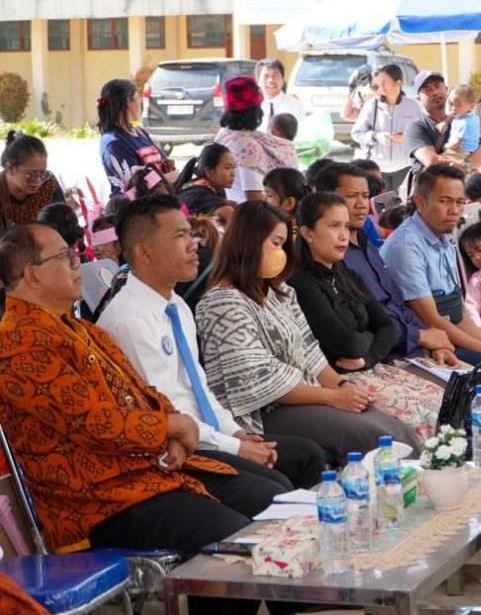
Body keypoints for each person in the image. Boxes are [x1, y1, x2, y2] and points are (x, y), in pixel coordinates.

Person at [0, 223, 267, 615]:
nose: (79, 264)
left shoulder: (81, 330)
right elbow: (95, 424)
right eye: (65, 257)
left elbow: (145, 394)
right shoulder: (18, 342)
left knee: (263, 508)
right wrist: (170, 427)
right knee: (236, 544)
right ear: (32, 273)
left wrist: (173, 434)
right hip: (94, 502)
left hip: (144, 474)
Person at [98, 194, 324, 494]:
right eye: (180, 236)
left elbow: (199, 388)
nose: (194, 245)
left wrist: (238, 433)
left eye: (190, 233)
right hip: (179, 449)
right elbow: (168, 412)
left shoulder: (176, 304)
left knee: (308, 456)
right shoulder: (129, 321)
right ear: (144, 252)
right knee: (273, 487)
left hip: (211, 434)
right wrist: (234, 447)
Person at [196, 201, 420, 459]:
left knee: (391, 423)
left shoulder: (280, 293)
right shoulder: (223, 301)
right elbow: (257, 380)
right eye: (276, 243)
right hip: (263, 410)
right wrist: (330, 397)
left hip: (309, 393)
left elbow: (309, 350)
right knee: (375, 436)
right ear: (248, 243)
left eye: (282, 244)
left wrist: (341, 385)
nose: (281, 252)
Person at [289, 192, 444, 442]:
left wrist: (367, 356)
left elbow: (387, 327)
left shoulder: (347, 275)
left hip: (371, 367)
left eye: (346, 226)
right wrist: (370, 341)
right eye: (333, 226)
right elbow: (347, 345)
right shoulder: (301, 284)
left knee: (444, 400)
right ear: (308, 233)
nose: (343, 235)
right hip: (338, 381)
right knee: (423, 416)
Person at [317, 163, 458, 365]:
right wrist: (421, 336)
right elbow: (364, 323)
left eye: (365, 196)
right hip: (383, 357)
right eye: (351, 196)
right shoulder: (333, 257)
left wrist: (433, 340)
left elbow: (398, 305)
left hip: (416, 348)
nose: (361, 204)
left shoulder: (367, 244)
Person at [380, 164, 481, 366]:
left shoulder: (445, 240)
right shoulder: (405, 245)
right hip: (429, 346)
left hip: (453, 333)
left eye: (460, 202)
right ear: (421, 202)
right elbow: (433, 320)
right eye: (445, 201)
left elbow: (457, 314)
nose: (454, 210)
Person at [214, 76, 298, 203]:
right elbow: (254, 197)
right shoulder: (247, 146)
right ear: (256, 109)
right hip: (252, 215)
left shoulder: (224, 134)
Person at [404, 70, 481, 180]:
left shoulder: (463, 120)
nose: (434, 92)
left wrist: (464, 166)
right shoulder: (416, 127)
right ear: (418, 99)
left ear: (447, 90)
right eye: (427, 90)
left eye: (437, 86)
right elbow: (432, 162)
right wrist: (464, 166)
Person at [352, 64, 422, 194]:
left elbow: (421, 135)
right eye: (379, 82)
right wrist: (376, 136)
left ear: (398, 83)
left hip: (404, 167)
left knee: (399, 207)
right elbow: (356, 133)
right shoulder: (371, 105)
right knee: (378, 205)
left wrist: (407, 138)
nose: (380, 86)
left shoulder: (412, 106)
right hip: (376, 168)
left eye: (384, 82)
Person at [98, 78, 173, 195]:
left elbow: (164, 162)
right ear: (127, 102)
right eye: (138, 98)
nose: (140, 103)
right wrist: (169, 178)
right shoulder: (114, 143)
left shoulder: (141, 133)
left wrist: (169, 171)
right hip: (138, 207)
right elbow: (136, 183)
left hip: (161, 197)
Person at [0, 131, 63, 230]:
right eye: (31, 175)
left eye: (42, 173)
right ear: (10, 168)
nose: (38, 181)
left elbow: (61, 225)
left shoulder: (48, 184)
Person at [175, 143, 237, 225]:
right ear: (209, 171)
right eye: (227, 168)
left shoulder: (215, 189)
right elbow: (236, 222)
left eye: (234, 167)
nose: (233, 174)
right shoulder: (200, 193)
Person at [255, 58, 304, 133]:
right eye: (266, 76)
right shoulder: (253, 107)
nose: (271, 80)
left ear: (282, 79)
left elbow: (301, 133)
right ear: (258, 81)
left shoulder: (294, 105)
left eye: (275, 76)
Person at [443, 85, 481, 158]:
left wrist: (445, 146)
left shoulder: (463, 123)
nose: (454, 108)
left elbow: (457, 143)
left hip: (461, 151)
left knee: (440, 163)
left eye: (459, 105)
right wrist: (448, 98)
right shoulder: (471, 116)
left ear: (471, 106)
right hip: (472, 150)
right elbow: (449, 113)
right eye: (451, 104)